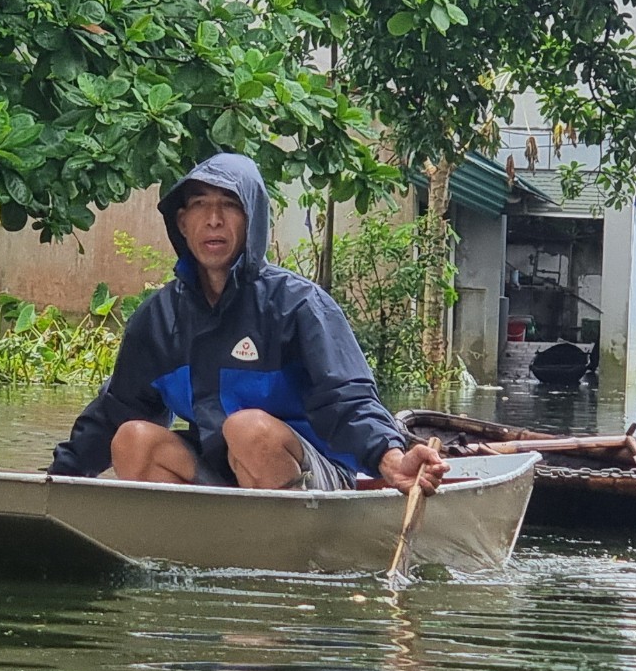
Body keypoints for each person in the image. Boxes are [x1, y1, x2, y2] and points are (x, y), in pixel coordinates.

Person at [50, 152, 448, 495]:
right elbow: (113, 412)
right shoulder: (158, 319)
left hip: (313, 476)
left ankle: (281, 553)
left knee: (248, 430)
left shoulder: (299, 305)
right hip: (222, 478)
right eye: (201, 205)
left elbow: (349, 399)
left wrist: (391, 457)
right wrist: (55, 483)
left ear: (252, 219)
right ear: (183, 223)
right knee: (133, 439)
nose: (214, 220)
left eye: (230, 205)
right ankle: (189, 556)